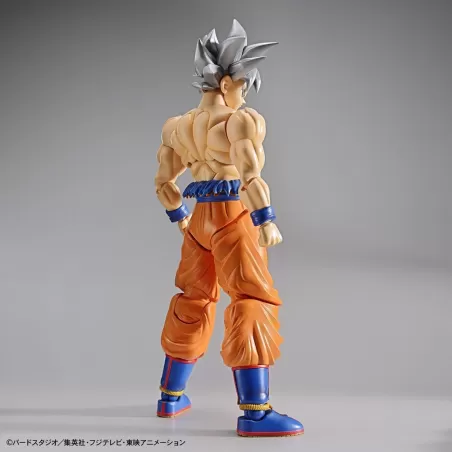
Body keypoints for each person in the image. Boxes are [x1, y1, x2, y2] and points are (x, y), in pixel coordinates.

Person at [154, 19, 303, 437]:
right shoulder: (240, 121)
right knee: (252, 296)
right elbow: (252, 177)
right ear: (225, 83)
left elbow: (164, 184)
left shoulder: (178, 126)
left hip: (199, 218)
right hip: (234, 215)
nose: (244, 94)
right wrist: (265, 220)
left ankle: (170, 397)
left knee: (193, 297)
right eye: (242, 85)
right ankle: (255, 413)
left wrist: (181, 218)